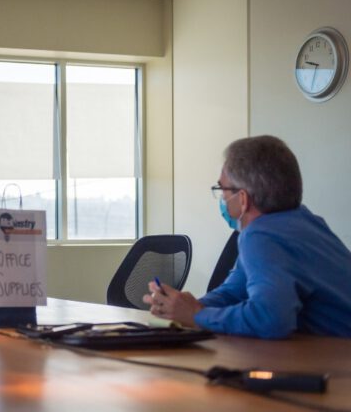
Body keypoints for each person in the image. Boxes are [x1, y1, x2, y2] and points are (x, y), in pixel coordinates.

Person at [143, 135, 351, 339]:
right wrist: (183, 305)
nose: (222, 197)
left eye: (222, 189)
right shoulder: (306, 221)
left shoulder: (261, 236)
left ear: (242, 198)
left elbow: (271, 320)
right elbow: (234, 289)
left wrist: (196, 315)